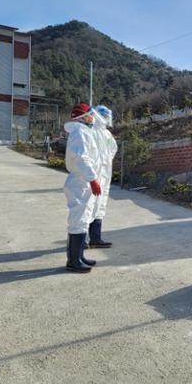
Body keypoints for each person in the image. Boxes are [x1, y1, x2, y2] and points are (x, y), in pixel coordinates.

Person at [63, 103, 102, 273]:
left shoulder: (83, 131)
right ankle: (73, 261)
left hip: (83, 182)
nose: (92, 117)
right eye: (90, 114)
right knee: (78, 220)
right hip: (81, 182)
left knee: (83, 219)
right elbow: (80, 158)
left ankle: (79, 256)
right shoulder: (80, 131)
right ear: (83, 117)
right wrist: (92, 179)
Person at [88, 105, 118, 248]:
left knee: (101, 205)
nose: (107, 119)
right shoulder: (90, 131)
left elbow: (113, 148)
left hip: (105, 174)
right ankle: (82, 239)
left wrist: (106, 162)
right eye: (105, 116)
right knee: (88, 206)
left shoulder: (106, 134)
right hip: (94, 175)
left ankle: (95, 238)